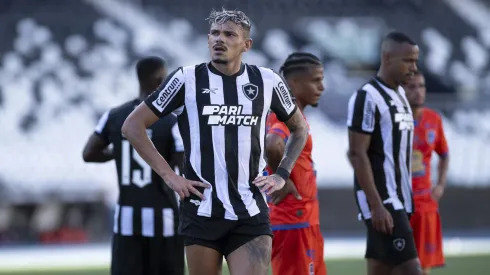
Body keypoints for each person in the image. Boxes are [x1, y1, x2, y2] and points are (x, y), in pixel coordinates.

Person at [121, 8, 309, 275]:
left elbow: (300, 129)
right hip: (201, 210)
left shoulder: (267, 81)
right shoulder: (186, 79)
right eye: (215, 33)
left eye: (229, 34)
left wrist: (282, 173)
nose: (219, 39)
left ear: (246, 45)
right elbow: (132, 126)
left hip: (250, 210)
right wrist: (170, 177)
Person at [82, 56, 185, 275]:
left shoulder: (115, 116)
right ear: (160, 81)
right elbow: (182, 165)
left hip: (127, 217)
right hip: (163, 217)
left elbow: (89, 153)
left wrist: (119, 151)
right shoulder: (170, 120)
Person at [346, 31, 422, 275]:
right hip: (385, 201)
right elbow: (357, 154)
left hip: (401, 198)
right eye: (408, 60)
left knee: (382, 270)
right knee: (412, 270)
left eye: (415, 61)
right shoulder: (367, 97)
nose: (414, 67)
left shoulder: (400, 95)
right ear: (387, 57)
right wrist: (376, 204)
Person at [264, 52, 327, 275]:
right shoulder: (284, 115)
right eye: (316, 80)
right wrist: (283, 177)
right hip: (292, 221)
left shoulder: (295, 115)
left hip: (304, 221)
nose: (322, 87)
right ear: (294, 83)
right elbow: (272, 144)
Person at [403, 71, 449, 275]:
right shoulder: (393, 119)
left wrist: (440, 184)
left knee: (423, 267)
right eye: (411, 87)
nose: (418, 91)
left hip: (424, 202)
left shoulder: (434, 119)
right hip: (399, 203)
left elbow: (444, 154)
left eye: (421, 86)